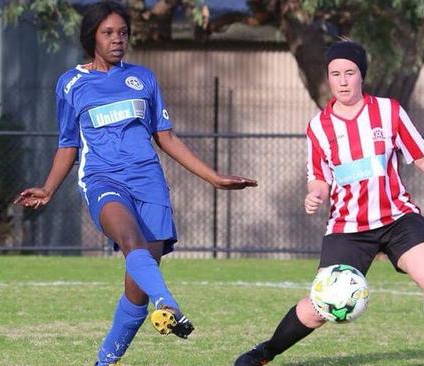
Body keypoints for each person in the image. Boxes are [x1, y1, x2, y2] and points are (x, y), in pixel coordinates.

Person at [13, 2, 257, 365]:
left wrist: (215, 178)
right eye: (108, 33)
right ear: (92, 37)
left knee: (136, 293)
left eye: (123, 33)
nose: (117, 40)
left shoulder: (143, 79)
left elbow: (167, 138)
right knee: (130, 241)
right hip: (103, 179)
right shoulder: (71, 84)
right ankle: (169, 303)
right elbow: (68, 143)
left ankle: (105, 361)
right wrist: (48, 188)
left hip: (149, 182)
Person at [234, 40, 424, 366]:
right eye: (335, 74)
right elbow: (319, 177)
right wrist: (316, 194)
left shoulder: (388, 111)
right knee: (320, 306)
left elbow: (422, 155)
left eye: (349, 73)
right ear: (328, 78)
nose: (342, 80)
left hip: (397, 218)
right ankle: (264, 353)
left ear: (361, 76)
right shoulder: (318, 126)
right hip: (348, 227)